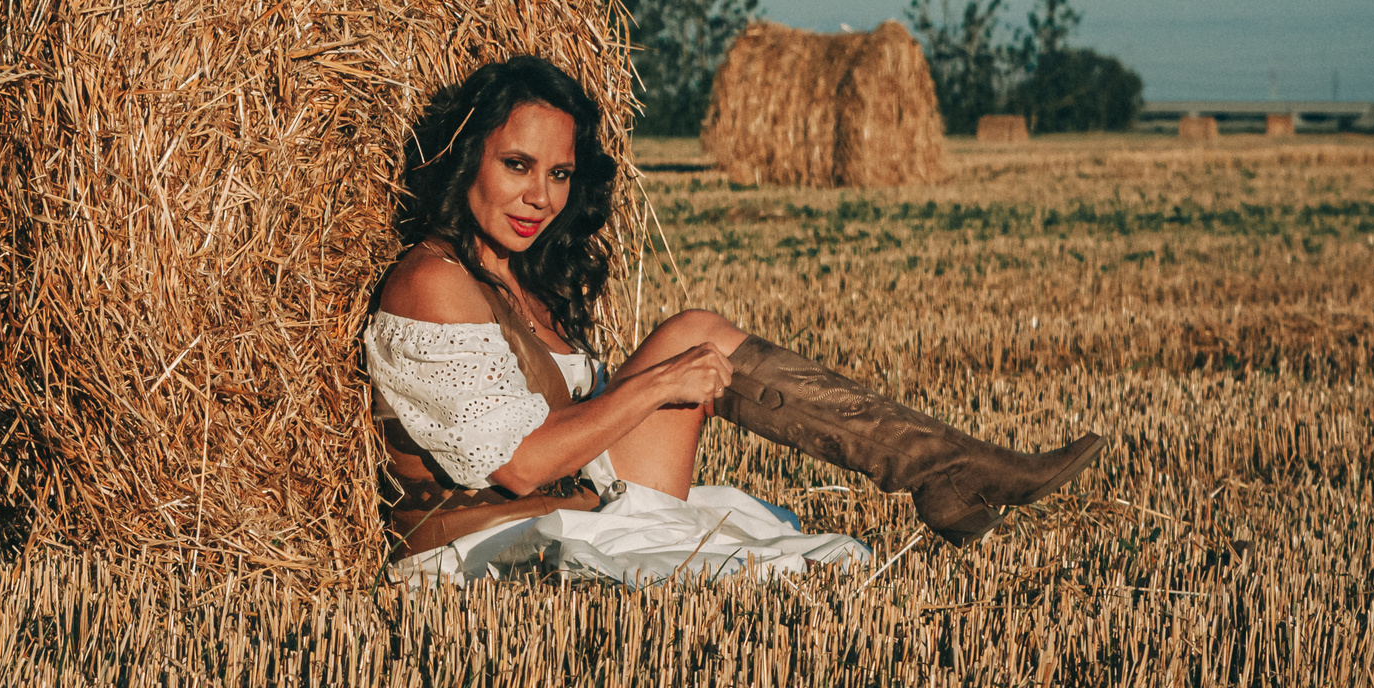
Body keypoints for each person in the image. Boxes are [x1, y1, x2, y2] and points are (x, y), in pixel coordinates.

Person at [366, 54, 1103, 565]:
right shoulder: (432, 281)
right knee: (760, 541)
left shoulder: (517, 277)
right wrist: (657, 385)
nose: (541, 197)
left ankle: (946, 469)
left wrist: (671, 375)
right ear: (467, 158)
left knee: (697, 330)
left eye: (559, 173)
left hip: (581, 501)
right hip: (488, 543)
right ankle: (954, 474)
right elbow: (523, 464)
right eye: (516, 165)